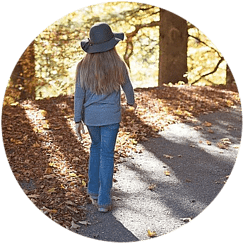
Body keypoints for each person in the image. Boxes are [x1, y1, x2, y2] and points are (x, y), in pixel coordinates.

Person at [74, 23, 136, 212]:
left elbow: (79, 95)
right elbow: (128, 86)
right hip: (111, 117)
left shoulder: (82, 66)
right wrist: (131, 102)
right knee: (107, 154)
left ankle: (93, 190)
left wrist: (77, 119)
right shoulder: (118, 64)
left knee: (95, 148)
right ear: (111, 44)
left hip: (91, 118)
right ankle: (104, 199)